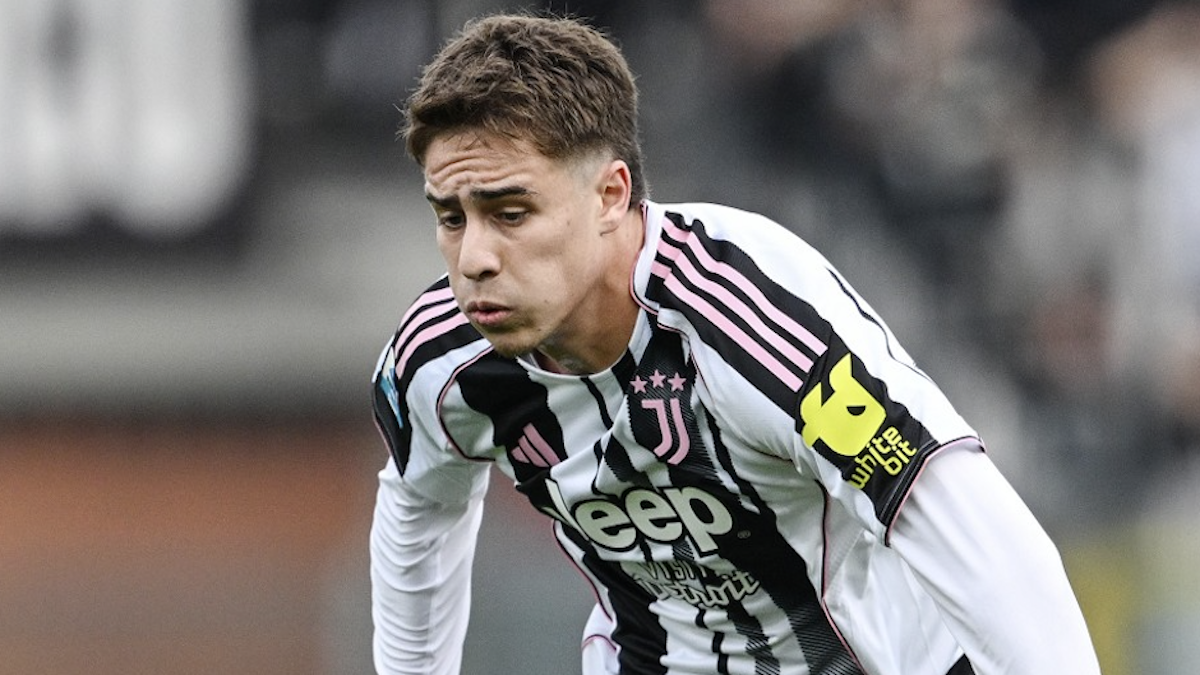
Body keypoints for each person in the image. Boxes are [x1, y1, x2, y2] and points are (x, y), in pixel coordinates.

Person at [369, 12, 1101, 675]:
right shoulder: (439, 360)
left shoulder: (751, 316)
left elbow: (963, 519)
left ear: (610, 196)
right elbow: (417, 515)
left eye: (511, 212)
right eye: (451, 218)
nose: (474, 258)